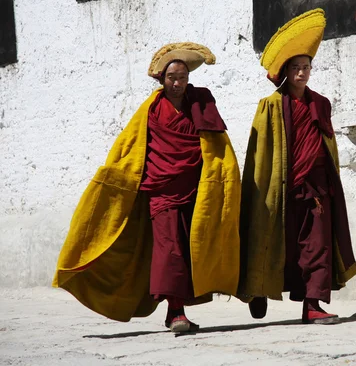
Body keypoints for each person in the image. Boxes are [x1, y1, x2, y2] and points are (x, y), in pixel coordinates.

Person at [53, 42, 241, 333]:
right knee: (171, 250)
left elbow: (217, 146)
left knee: (193, 249)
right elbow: (130, 147)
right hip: (161, 191)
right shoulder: (151, 109)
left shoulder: (200, 105)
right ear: (161, 80)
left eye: (182, 77)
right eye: (171, 78)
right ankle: (177, 312)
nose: (177, 83)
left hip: (196, 192)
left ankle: (174, 312)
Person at [238, 9, 356, 324]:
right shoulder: (271, 106)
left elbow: (325, 144)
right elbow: (260, 154)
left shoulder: (320, 104)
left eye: (306, 67)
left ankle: (312, 305)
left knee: (316, 245)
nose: (302, 74)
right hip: (279, 189)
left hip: (316, 188)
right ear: (285, 72)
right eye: (296, 68)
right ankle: (258, 289)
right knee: (273, 242)